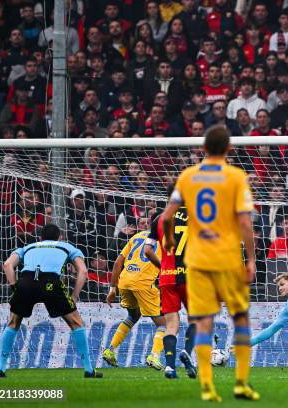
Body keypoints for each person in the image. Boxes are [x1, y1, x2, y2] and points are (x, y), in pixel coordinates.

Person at [161, 125, 259, 402]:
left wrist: (168, 242)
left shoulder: (188, 176)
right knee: (239, 318)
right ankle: (241, 383)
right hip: (225, 258)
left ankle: (206, 386)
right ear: (228, 149)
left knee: (202, 321)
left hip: (196, 262)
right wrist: (250, 259)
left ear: (203, 149)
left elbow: (167, 217)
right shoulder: (236, 177)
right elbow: (244, 222)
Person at [0, 223, 102, 378]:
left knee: (13, 322)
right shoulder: (67, 247)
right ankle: (88, 369)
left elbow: (7, 264)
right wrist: (75, 295)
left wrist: (14, 286)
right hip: (51, 282)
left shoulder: (28, 247)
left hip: (26, 281)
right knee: (76, 323)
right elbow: (83, 271)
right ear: (60, 237)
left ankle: (1, 367)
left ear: (40, 238)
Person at [144, 185, 197, 379]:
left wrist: (164, 267)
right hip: (190, 276)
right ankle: (187, 353)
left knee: (171, 324)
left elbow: (147, 251)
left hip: (167, 278)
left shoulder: (159, 219)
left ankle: (169, 367)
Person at [102, 217, 166, 371]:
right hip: (143, 283)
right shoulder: (165, 240)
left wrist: (112, 288)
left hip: (124, 282)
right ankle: (154, 356)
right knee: (164, 324)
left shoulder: (136, 237)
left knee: (133, 316)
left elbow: (118, 262)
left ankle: (110, 350)